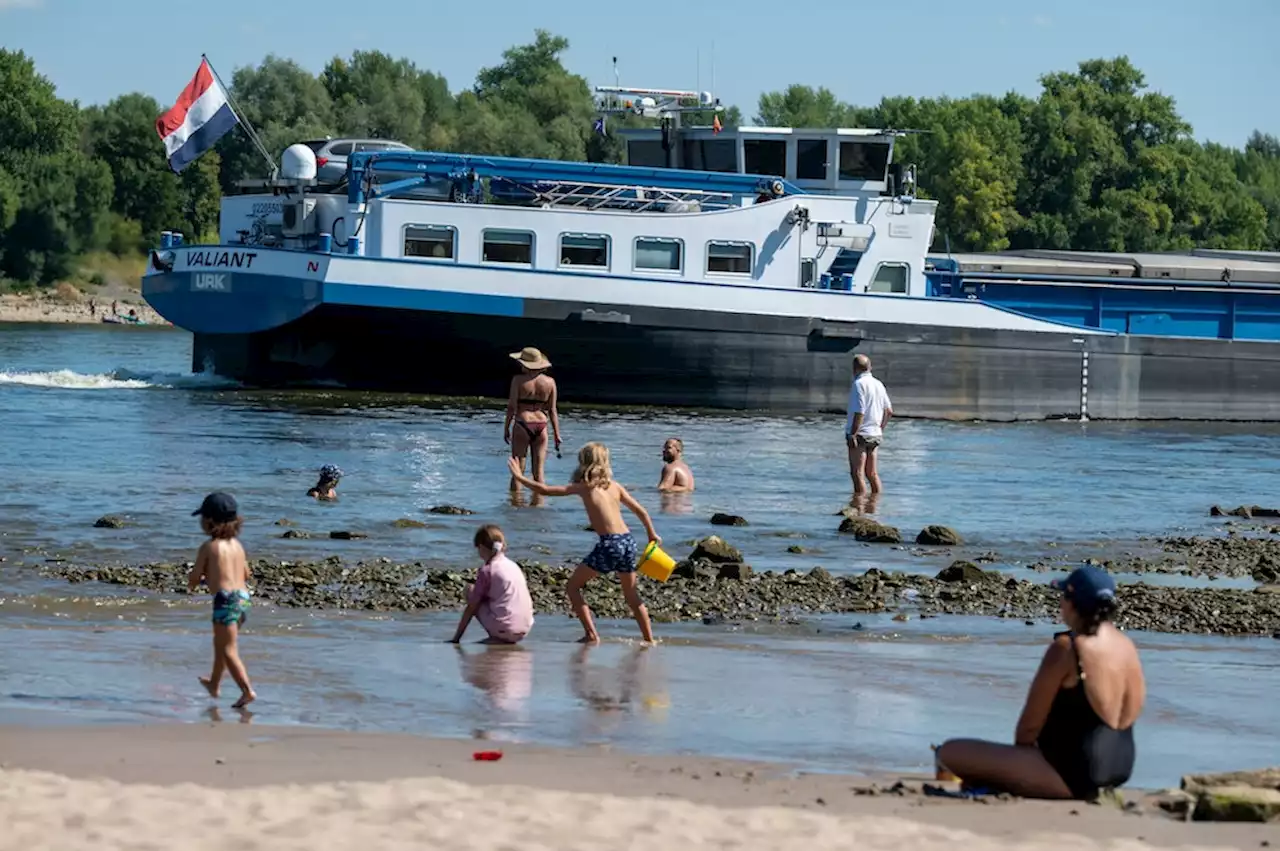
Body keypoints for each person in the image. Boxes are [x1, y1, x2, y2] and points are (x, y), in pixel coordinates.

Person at [934, 566, 1144, 800]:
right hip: (1118, 772)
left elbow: (1027, 730)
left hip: (1071, 779)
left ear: (1072, 603)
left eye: (1063, 597)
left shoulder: (1067, 649)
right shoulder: (1127, 647)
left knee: (950, 751)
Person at [507, 442, 660, 644]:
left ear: (584, 464)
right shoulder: (615, 487)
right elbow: (642, 512)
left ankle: (591, 634)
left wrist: (519, 478)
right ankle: (649, 640)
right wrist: (652, 535)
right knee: (631, 595)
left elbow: (545, 489)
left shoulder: (585, 488)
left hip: (610, 543)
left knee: (572, 587)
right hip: (628, 540)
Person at [187, 492, 256, 709]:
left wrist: (194, 583)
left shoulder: (209, 547)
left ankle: (247, 691)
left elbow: (196, 575)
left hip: (225, 600)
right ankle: (214, 684)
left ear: (209, 521)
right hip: (243, 598)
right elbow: (247, 574)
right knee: (221, 644)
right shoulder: (238, 546)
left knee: (228, 649)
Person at [450, 524, 534, 644]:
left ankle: (497, 636)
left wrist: (456, 638)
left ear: (481, 547)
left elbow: (472, 607)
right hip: (524, 630)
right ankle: (504, 633)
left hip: (504, 629)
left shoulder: (487, 570)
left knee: (470, 591)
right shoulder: (513, 565)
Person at [504, 346, 561, 493]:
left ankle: (515, 504)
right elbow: (552, 410)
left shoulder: (518, 380)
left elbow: (511, 407)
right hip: (542, 425)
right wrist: (556, 434)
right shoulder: (550, 382)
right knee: (539, 472)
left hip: (523, 423)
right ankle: (538, 506)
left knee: (518, 471)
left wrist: (506, 428)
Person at [845, 354, 893, 495]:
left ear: (854, 369)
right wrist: (880, 428)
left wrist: (853, 434)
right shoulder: (878, 384)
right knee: (872, 473)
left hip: (860, 434)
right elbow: (889, 411)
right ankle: (874, 505)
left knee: (857, 473)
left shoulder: (858, 384)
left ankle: (859, 506)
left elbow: (859, 412)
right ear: (870, 367)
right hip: (875, 433)